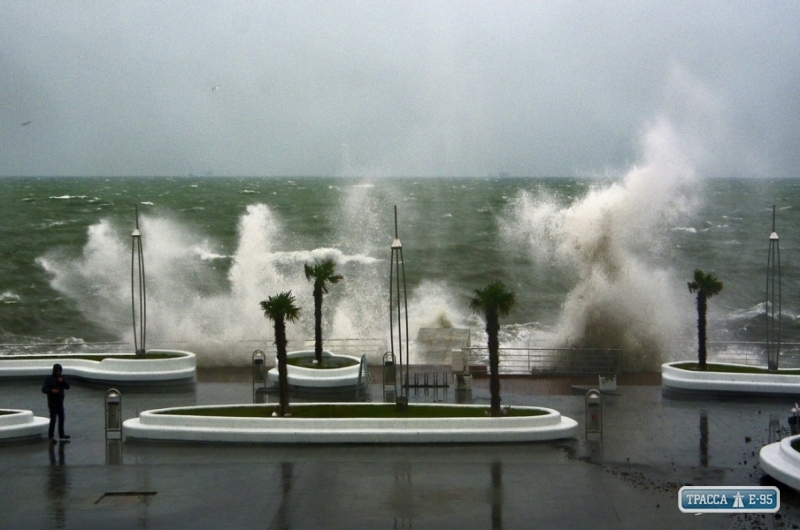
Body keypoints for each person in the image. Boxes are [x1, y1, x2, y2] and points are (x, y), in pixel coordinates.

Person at [42, 364, 70, 443]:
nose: (58, 373)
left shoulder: (61, 378)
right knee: (53, 419)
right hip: (52, 403)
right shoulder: (49, 379)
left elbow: (68, 386)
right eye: (57, 371)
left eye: (60, 371)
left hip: (60, 402)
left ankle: (61, 434)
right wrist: (51, 391)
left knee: (62, 418)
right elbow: (44, 389)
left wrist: (62, 381)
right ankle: (51, 436)